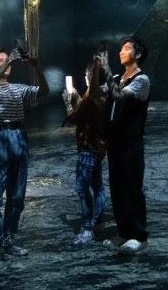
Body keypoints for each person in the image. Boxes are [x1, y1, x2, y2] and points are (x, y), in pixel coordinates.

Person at [0, 46, 49, 267]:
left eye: (7, 60)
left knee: (16, 198)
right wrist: (10, 61)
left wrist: (37, 67)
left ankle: (7, 239)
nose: (7, 63)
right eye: (0, 60)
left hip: (19, 138)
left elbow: (43, 92)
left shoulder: (17, 88)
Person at [104, 37, 151, 254]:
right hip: (114, 143)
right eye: (121, 48)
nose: (121, 51)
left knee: (132, 188)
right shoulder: (115, 77)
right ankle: (123, 232)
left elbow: (119, 95)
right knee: (117, 189)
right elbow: (100, 92)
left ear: (138, 54)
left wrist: (104, 69)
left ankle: (139, 235)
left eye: (127, 48)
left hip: (131, 143)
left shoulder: (142, 80)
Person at [63, 57, 108, 246]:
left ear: (91, 76)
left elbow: (74, 118)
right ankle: (98, 222)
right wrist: (76, 97)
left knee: (82, 188)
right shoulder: (99, 95)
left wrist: (68, 102)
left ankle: (87, 227)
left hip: (88, 147)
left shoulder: (93, 96)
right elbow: (85, 110)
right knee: (97, 184)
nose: (85, 77)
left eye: (87, 74)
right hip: (98, 147)